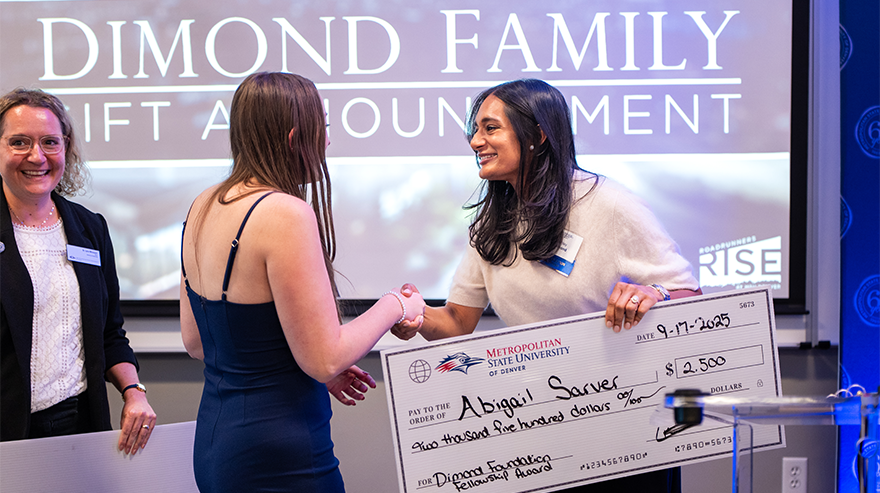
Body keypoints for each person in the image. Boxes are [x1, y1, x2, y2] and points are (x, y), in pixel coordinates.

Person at [392, 79, 701, 493]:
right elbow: (455, 322)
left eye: (490, 128)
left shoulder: (608, 203)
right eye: (475, 129)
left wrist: (654, 294)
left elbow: (689, 296)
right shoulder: (491, 223)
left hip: (625, 428)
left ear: (536, 134)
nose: (474, 141)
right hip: (543, 429)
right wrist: (411, 315)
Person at [179, 71, 426, 492]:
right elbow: (326, 359)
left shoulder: (204, 203)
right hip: (281, 455)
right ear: (295, 138)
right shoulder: (285, 214)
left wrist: (292, 362)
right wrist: (397, 306)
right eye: (323, 128)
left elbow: (198, 341)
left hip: (217, 444)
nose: (327, 142)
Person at [0, 88, 156, 454]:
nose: (36, 156)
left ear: (66, 149)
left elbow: (110, 332)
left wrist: (134, 393)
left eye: (50, 142)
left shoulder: (89, 228)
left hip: (78, 426)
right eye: (19, 142)